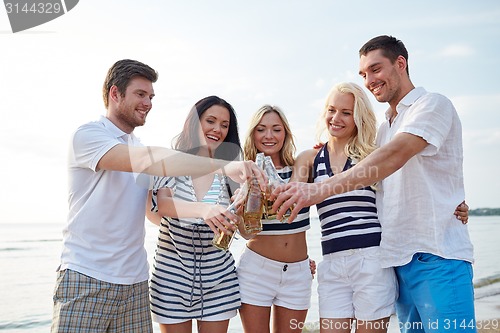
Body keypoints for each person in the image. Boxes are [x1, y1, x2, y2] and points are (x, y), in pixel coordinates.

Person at [272, 36, 476, 332]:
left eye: (376, 69)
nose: (370, 79)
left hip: (437, 254)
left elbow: (392, 157)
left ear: (400, 64)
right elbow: (378, 173)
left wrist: (319, 189)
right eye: (363, 74)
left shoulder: (431, 104)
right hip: (398, 260)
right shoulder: (385, 129)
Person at [51, 59, 266, 333]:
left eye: (151, 96)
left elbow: (155, 206)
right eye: (140, 94)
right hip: (87, 275)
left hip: (135, 282)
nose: (148, 103)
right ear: (115, 94)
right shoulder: (89, 136)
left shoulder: (139, 145)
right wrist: (222, 170)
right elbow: (154, 176)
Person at [292, 82, 396, 333]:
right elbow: (289, 204)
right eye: (331, 110)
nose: (336, 118)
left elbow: (405, 192)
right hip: (332, 264)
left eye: (346, 113)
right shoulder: (310, 159)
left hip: (371, 261)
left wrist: (455, 205)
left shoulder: (371, 155)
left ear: (358, 117)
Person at [145, 96, 244, 333]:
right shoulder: (171, 160)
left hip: (219, 279)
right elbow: (163, 204)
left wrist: (244, 209)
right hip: (171, 278)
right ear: (194, 123)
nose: (217, 129)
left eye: (224, 125)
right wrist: (204, 211)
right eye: (210, 121)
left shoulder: (232, 170)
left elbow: (246, 233)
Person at [236, 105, 314, 333]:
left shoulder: (303, 168)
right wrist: (243, 204)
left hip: (299, 272)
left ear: (285, 134)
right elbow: (246, 233)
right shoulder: (243, 173)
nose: (269, 136)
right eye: (261, 129)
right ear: (253, 135)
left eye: (276, 129)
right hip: (256, 271)